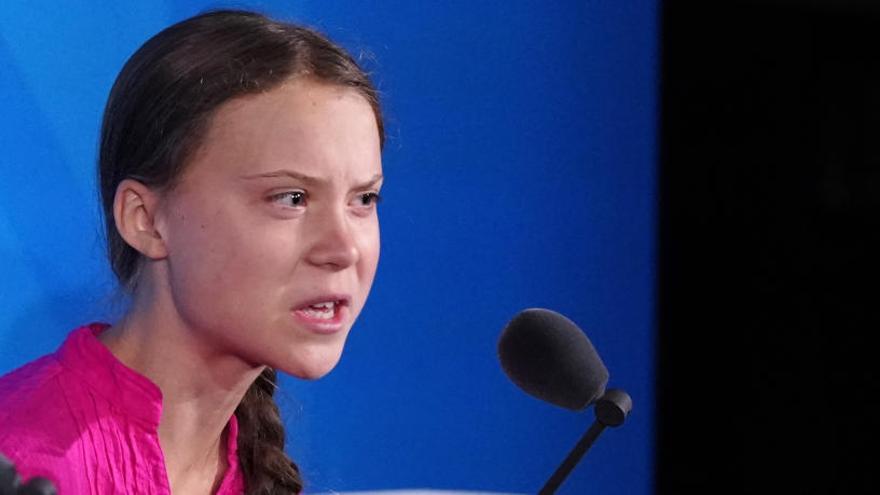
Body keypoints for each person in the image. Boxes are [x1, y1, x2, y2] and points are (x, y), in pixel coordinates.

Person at [0, 9, 384, 495]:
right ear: (145, 220)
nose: (344, 248)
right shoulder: (21, 458)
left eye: (364, 199)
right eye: (291, 198)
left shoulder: (246, 466)